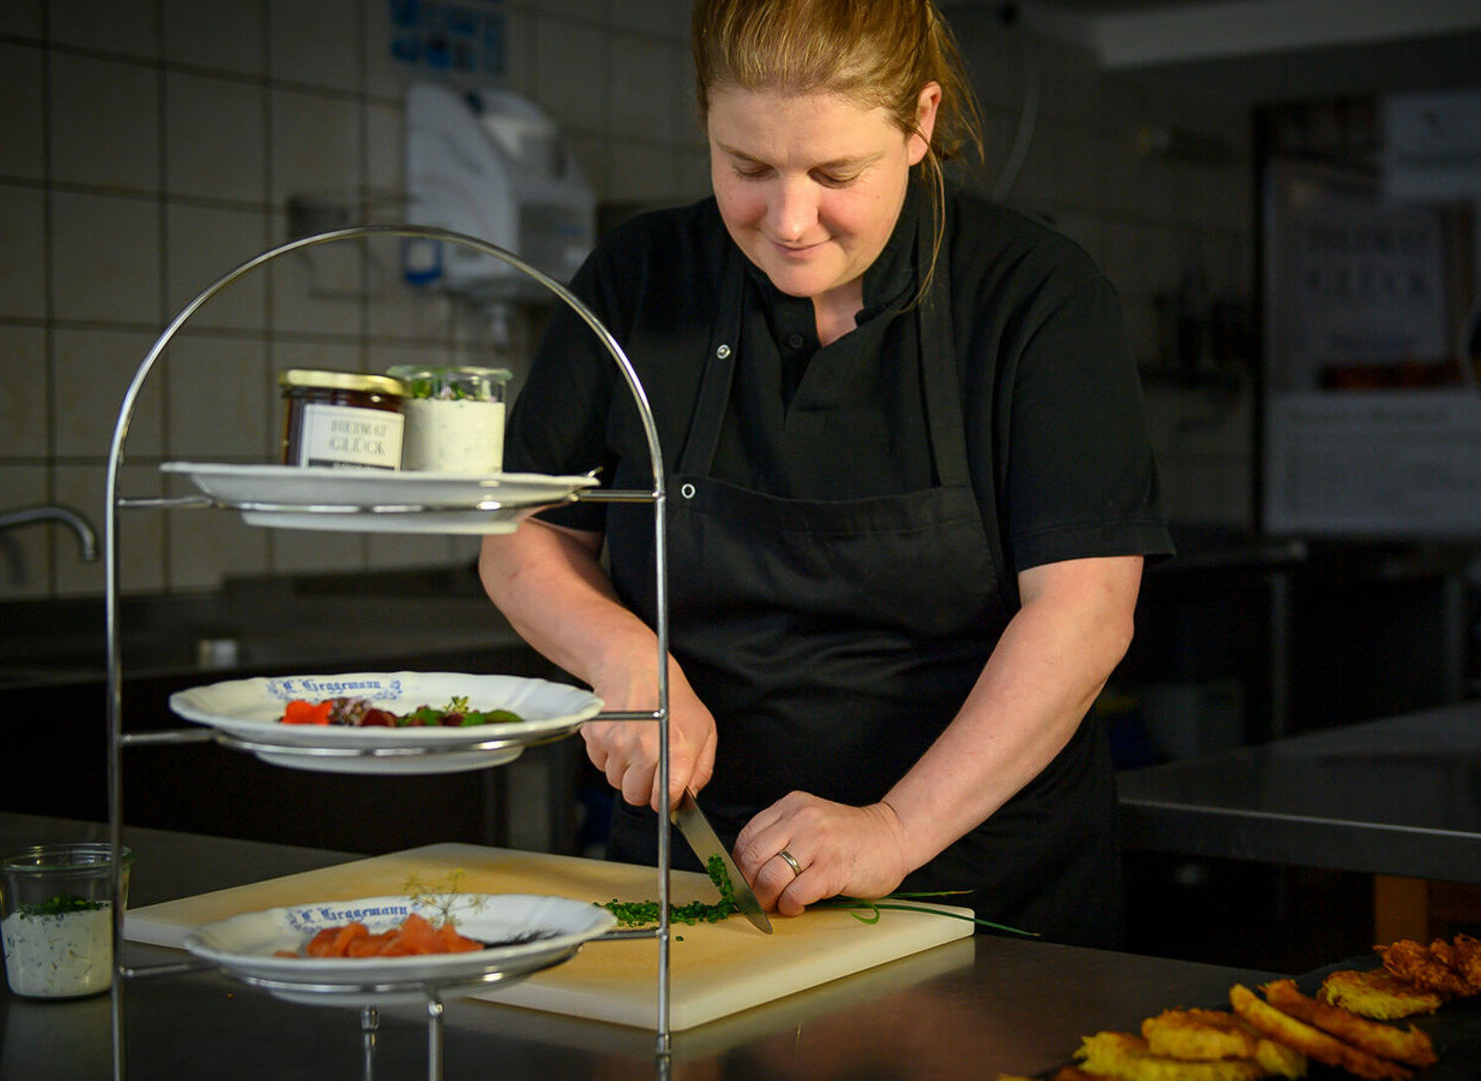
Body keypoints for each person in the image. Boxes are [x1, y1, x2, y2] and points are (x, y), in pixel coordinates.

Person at [478, 0, 1171, 948]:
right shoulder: (640, 279)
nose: (790, 220)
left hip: (984, 897)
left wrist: (894, 828)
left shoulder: (1038, 297)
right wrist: (622, 659)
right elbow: (526, 530)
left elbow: (1084, 612)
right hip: (697, 895)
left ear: (919, 122)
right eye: (747, 167)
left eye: (835, 173)